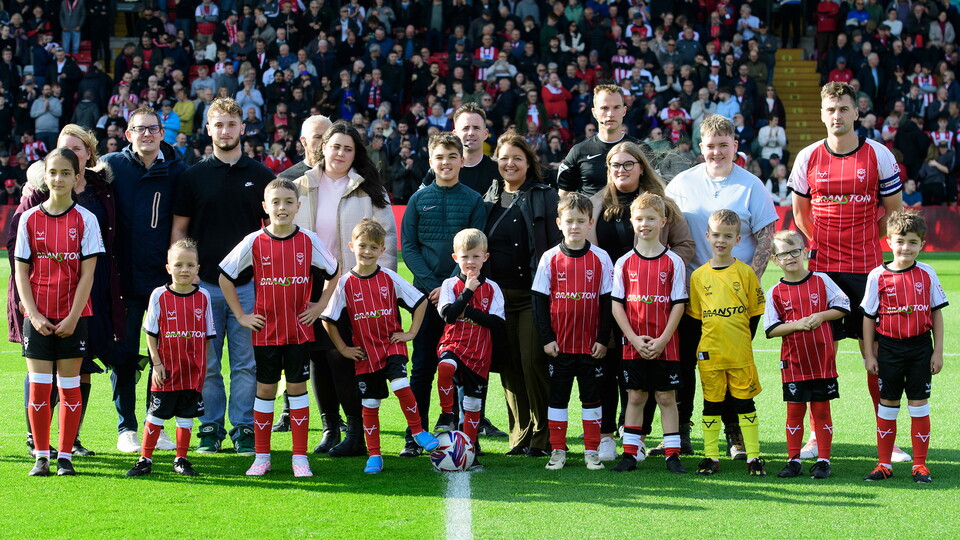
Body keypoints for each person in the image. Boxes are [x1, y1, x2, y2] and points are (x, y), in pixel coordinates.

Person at [789, 81, 906, 462]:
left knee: (875, 354)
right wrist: (825, 242)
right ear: (822, 114)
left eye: (843, 109)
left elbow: (894, 214)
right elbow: (800, 215)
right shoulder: (807, 156)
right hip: (822, 272)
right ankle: (813, 437)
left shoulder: (879, 155)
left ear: (856, 112)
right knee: (820, 354)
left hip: (868, 271)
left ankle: (887, 438)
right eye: (830, 110)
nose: (836, 116)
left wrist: (860, 241)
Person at [665, 114, 778, 461]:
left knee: (731, 365)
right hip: (690, 293)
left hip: (737, 299)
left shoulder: (750, 185)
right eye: (710, 146)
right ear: (701, 147)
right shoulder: (681, 184)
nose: (717, 152)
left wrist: (745, 284)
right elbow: (665, 232)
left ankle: (735, 436)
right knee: (684, 365)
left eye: (723, 146)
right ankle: (679, 434)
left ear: (735, 146)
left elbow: (766, 238)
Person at [172, 97, 276, 455]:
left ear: (242, 128)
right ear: (208, 129)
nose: (225, 131)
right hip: (203, 286)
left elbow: (273, 232)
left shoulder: (262, 176)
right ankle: (211, 427)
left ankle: (244, 428)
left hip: (249, 287)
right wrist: (179, 276)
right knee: (209, 364)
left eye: (231, 124)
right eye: (218, 125)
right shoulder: (192, 176)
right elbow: (180, 231)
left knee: (246, 364)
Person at [219, 178, 339, 477]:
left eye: (288, 202)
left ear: (298, 206)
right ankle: (262, 457)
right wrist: (242, 316)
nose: (282, 208)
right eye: (276, 202)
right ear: (265, 207)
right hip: (266, 331)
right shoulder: (254, 241)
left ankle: (300, 457)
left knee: (298, 390)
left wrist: (320, 305)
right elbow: (224, 276)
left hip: (298, 330)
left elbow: (334, 273)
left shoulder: (308, 240)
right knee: (265, 390)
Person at [291, 120, 396, 457]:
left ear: (356, 154)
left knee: (345, 356)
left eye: (348, 149)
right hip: (311, 286)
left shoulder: (370, 190)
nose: (340, 153)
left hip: (356, 286)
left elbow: (388, 241)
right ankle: (329, 428)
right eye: (335, 146)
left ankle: (355, 430)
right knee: (319, 357)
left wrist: (383, 285)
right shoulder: (300, 186)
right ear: (323, 147)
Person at [587, 141, 695, 458]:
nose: (621, 170)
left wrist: (656, 267)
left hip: (651, 305)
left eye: (628, 164)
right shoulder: (595, 204)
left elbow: (685, 246)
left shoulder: (662, 204)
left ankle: (639, 436)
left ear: (641, 167)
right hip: (609, 301)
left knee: (649, 369)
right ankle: (608, 433)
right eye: (615, 165)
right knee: (607, 364)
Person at [321, 219, 440, 473]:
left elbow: (420, 302)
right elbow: (328, 319)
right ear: (352, 246)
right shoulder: (345, 283)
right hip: (365, 354)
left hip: (391, 347)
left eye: (373, 247)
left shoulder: (389, 277)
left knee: (400, 383)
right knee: (371, 404)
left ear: (382, 250)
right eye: (362, 245)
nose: (367, 251)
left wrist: (411, 332)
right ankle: (375, 455)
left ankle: (418, 431)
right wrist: (343, 349)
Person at [102, 106, 189, 454]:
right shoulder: (110, 167)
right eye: (140, 129)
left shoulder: (178, 171)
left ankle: (159, 424)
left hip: (159, 282)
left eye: (153, 129)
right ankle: (127, 427)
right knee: (123, 355)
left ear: (162, 133)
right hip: (120, 282)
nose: (147, 135)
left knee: (162, 357)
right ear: (129, 134)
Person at [16, 147, 104, 476]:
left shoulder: (86, 220)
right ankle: (41, 455)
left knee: (69, 388)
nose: (59, 178)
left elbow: (87, 275)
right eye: (53, 172)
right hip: (36, 319)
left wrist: (71, 317)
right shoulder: (29, 218)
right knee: (39, 387)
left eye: (66, 173)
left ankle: (65, 456)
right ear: (45, 176)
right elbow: (21, 272)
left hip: (74, 317)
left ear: (76, 177)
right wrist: (35, 316)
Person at [400, 132, 486, 457]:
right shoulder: (418, 200)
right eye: (440, 157)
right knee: (422, 365)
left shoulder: (474, 200)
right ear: (431, 161)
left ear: (461, 160)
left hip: (461, 297)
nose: (446, 163)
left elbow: (476, 247)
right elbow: (408, 247)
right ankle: (415, 434)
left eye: (452, 156)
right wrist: (431, 285)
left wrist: (448, 287)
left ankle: (464, 433)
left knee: (462, 365)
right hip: (424, 298)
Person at [483, 133, 562, 457]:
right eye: (504, 157)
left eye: (517, 157)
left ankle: (543, 438)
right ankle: (520, 436)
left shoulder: (544, 196)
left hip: (532, 294)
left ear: (528, 162)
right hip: (498, 298)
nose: (510, 163)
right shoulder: (489, 196)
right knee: (510, 365)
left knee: (533, 362)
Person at [862, 209, 948, 484]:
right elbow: (868, 316)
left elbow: (936, 313)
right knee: (887, 405)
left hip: (921, 348)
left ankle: (920, 465)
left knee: (919, 405)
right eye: (900, 241)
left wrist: (937, 351)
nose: (906, 247)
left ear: (922, 244)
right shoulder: (877, 275)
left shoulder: (927, 273)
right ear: (888, 241)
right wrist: (869, 355)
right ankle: (884, 463)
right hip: (888, 348)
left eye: (913, 242)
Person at [532, 193, 613, 470]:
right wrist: (546, 338)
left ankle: (591, 451)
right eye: (569, 221)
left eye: (581, 221)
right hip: (560, 346)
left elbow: (607, 302)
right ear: (559, 223)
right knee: (558, 398)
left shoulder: (601, 258)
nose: (575, 226)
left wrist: (603, 339)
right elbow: (539, 301)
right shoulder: (549, 258)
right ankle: (558, 450)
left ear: (591, 223)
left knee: (592, 399)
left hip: (591, 347)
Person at [610, 194, 688, 474]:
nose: (645, 224)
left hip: (666, 344)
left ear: (663, 221)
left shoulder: (673, 262)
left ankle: (672, 455)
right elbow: (617, 304)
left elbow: (679, 303)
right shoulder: (624, 263)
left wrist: (664, 338)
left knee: (666, 398)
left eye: (651, 218)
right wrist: (632, 338)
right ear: (632, 221)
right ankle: (630, 453)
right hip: (633, 345)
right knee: (635, 397)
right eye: (640, 218)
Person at [125, 239, 215, 478]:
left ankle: (181, 460)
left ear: (198, 268)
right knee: (155, 416)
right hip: (165, 371)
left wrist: (201, 369)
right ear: (168, 268)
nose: (184, 269)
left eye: (190, 265)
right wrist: (156, 364)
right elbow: (150, 334)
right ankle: (145, 459)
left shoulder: (204, 296)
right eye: (178, 264)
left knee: (186, 418)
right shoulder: (159, 295)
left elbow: (207, 337)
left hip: (191, 373)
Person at [687, 209, 767, 477]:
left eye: (728, 236)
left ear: (738, 239)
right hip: (710, 354)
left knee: (745, 404)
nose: (721, 240)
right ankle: (711, 456)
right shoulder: (698, 276)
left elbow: (755, 313)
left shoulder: (745, 273)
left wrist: (742, 341)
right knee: (711, 405)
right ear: (708, 236)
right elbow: (697, 319)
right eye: (717, 235)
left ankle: (754, 457)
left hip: (739, 353)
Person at [764, 230, 849, 479]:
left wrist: (822, 315)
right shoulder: (775, 292)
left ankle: (823, 460)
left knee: (821, 411)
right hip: (794, 363)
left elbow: (844, 305)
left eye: (794, 251)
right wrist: (797, 325)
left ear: (804, 252)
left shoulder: (821, 280)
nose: (790, 257)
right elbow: (771, 329)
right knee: (795, 411)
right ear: (774, 260)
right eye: (783, 254)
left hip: (822, 361)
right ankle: (793, 460)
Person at [435, 228, 505, 461]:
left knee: (473, 404)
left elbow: (496, 322)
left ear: (485, 257)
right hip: (453, 343)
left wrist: (469, 310)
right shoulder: (448, 284)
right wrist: (467, 292)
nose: (470, 262)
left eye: (476, 256)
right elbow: (449, 316)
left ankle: (470, 448)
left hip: (479, 352)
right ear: (456, 258)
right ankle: (447, 414)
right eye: (465, 257)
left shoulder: (493, 288)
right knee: (445, 367)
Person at [557, 84, 641, 197]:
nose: (610, 114)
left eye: (616, 107)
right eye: (604, 108)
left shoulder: (641, 150)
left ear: (624, 111)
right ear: (594, 112)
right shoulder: (579, 151)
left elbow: (657, 192)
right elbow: (563, 198)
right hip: (591, 214)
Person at [421, 103, 502, 194]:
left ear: (485, 134)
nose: (471, 133)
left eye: (476, 128)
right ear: (455, 134)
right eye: (465, 128)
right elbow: (418, 201)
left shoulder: (497, 170)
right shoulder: (440, 168)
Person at [278, 114, 332, 181]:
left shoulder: (344, 176)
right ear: (303, 141)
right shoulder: (286, 178)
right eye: (318, 137)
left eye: (328, 137)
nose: (324, 142)